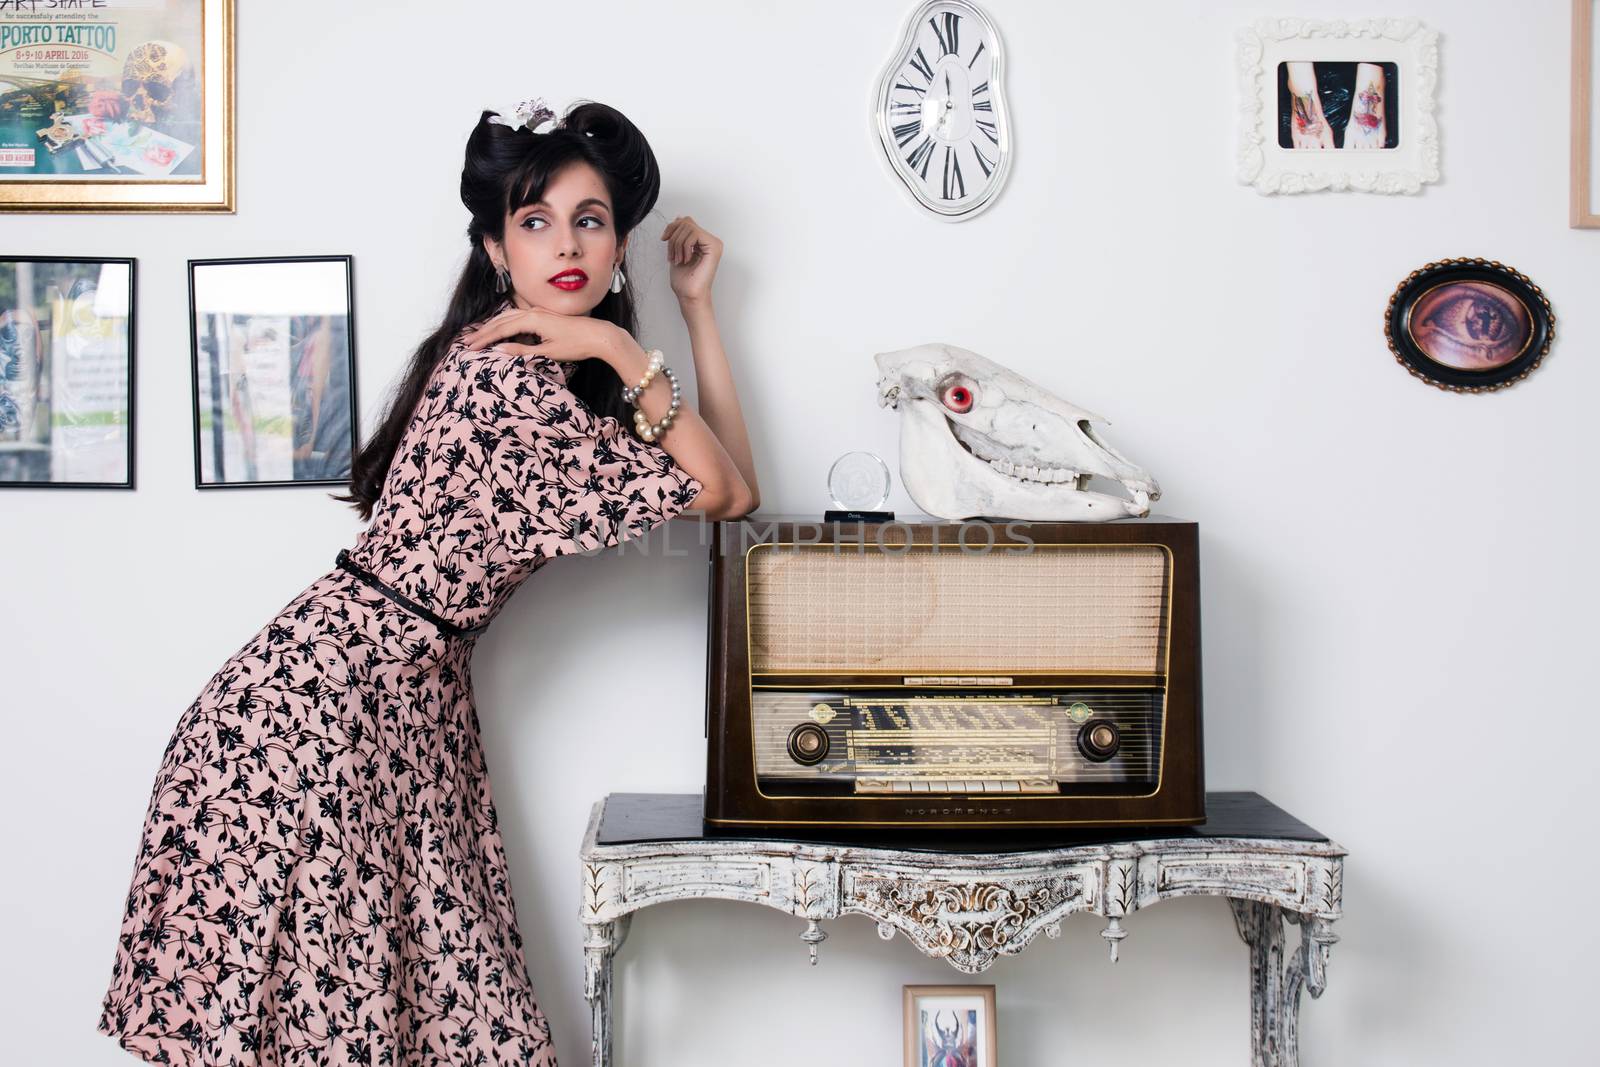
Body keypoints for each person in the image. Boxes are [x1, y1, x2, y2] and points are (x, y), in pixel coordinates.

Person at [96, 98, 759, 1066]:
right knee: (360, 1021)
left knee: (422, 1010)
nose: (564, 243)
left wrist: (694, 309)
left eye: (590, 219)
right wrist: (624, 345)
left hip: (394, 703)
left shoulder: (545, 373)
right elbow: (721, 489)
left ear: (619, 244)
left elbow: (736, 488)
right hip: (317, 716)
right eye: (534, 222)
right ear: (496, 251)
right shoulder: (506, 379)